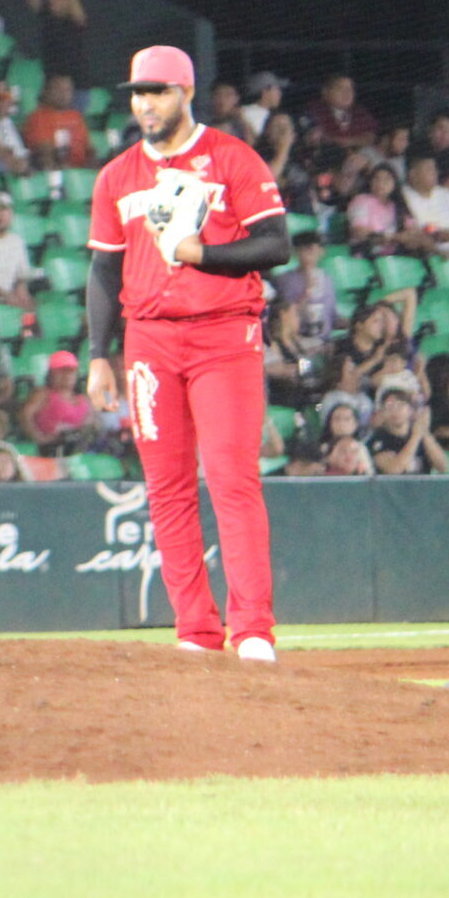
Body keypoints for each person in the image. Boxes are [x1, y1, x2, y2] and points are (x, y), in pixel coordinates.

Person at [84, 45, 291, 663]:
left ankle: (252, 631)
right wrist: (98, 355)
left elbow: (276, 244)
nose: (146, 104)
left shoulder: (232, 157)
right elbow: (104, 270)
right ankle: (196, 632)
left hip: (224, 334)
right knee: (167, 489)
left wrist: (203, 255)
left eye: (158, 91)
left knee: (231, 479)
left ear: (187, 92)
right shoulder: (117, 175)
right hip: (148, 340)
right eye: (138, 94)